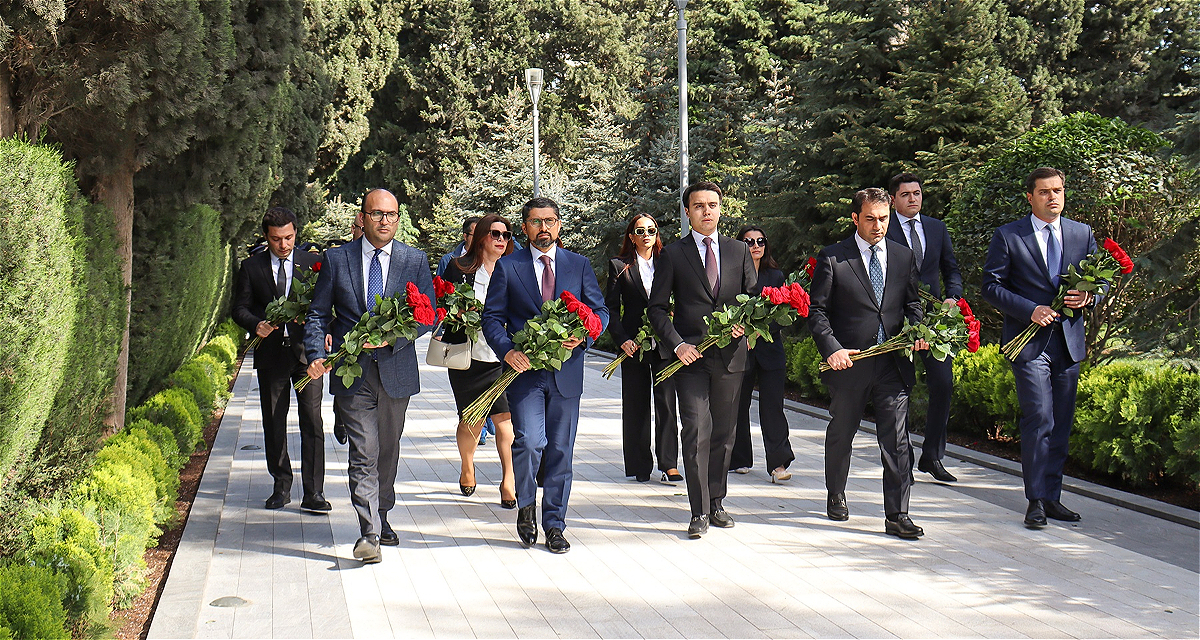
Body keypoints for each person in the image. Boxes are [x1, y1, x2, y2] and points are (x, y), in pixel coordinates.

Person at [304, 188, 436, 564]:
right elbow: (317, 314)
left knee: (388, 451)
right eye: (377, 214)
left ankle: (383, 512)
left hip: (396, 371)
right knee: (364, 451)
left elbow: (428, 315)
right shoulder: (337, 259)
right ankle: (369, 533)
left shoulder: (414, 259)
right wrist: (316, 354)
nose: (384, 221)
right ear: (362, 218)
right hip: (353, 373)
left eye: (391, 214)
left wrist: (392, 334)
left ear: (398, 218)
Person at [481, 197, 608, 554]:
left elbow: (599, 311)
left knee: (560, 451)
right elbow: (492, 318)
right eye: (536, 222)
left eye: (549, 221)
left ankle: (555, 524)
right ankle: (526, 506)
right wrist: (507, 351)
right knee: (530, 442)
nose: (543, 228)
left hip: (566, 374)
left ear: (559, 225)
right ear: (525, 227)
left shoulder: (578, 265)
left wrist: (584, 335)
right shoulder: (508, 267)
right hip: (525, 375)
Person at [808, 187, 928, 540]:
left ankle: (897, 514)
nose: (878, 226)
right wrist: (832, 349)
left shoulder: (904, 257)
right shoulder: (833, 258)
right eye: (871, 219)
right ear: (855, 219)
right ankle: (835, 493)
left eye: (884, 218)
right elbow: (817, 311)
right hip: (850, 363)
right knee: (842, 433)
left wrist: (918, 331)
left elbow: (912, 305)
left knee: (897, 440)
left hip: (892, 364)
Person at [981, 167, 1098, 529]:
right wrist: (1029, 309)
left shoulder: (1082, 233)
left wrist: (1090, 296)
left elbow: (1099, 279)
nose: (1053, 198)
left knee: (1061, 422)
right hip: (1030, 345)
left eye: (1058, 191)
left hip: (1068, 342)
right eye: (1045, 192)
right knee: (1039, 417)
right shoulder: (1009, 236)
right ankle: (1034, 500)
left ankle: (1052, 496)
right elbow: (991, 286)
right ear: (1030, 197)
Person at [647, 181, 758, 539]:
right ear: (688, 211)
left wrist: (746, 323)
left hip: (731, 358)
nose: (706, 210)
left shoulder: (739, 250)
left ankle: (716, 502)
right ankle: (698, 511)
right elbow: (657, 309)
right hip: (690, 359)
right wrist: (678, 345)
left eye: (712, 204)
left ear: (721, 208)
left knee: (724, 434)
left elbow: (754, 299)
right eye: (699, 206)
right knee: (695, 431)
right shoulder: (674, 255)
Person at [232, 207, 329, 513]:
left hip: (307, 355)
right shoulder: (251, 267)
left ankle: (314, 492)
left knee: (312, 421)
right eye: (276, 239)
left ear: (296, 233)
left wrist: (326, 336)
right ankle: (281, 485)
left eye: (288, 237)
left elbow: (326, 306)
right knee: (274, 420)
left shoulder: (313, 263)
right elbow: (239, 308)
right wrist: (255, 323)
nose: (284, 244)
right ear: (266, 237)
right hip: (271, 355)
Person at [885, 173, 963, 483]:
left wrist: (953, 298)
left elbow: (951, 268)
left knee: (943, 384)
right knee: (899, 389)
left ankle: (932, 456)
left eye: (917, 193)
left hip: (934, 319)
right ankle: (903, 458)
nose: (913, 199)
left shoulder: (936, 227)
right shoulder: (882, 227)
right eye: (905, 195)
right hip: (897, 319)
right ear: (893, 199)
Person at [438, 214, 518, 508]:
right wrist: (456, 313)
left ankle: (508, 479)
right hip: (468, 358)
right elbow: (441, 303)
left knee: (506, 424)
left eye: (506, 235)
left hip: (504, 358)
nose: (501, 239)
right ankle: (467, 466)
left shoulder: (514, 269)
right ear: (482, 236)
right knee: (471, 421)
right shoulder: (458, 268)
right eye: (495, 233)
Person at [605, 213, 682, 485]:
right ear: (631, 236)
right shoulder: (619, 266)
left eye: (651, 229)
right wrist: (622, 339)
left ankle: (669, 464)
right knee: (636, 405)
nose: (646, 234)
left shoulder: (669, 261)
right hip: (633, 344)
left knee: (667, 404)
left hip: (665, 344)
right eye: (640, 230)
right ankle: (639, 464)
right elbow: (611, 309)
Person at [729, 225, 795, 484]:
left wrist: (758, 332)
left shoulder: (776, 275)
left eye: (760, 241)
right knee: (738, 405)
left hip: (769, 349)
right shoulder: (732, 275)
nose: (755, 245)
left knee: (772, 407)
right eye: (748, 242)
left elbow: (783, 314)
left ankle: (778, 464)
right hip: (740, 349)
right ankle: (740, 459)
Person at [331, 214, 365, 447]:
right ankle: (340, 418)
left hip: (377, 348)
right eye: (360, 228)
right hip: (345, 345)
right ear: (353, 229)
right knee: (346, 388)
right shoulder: (340, 259)